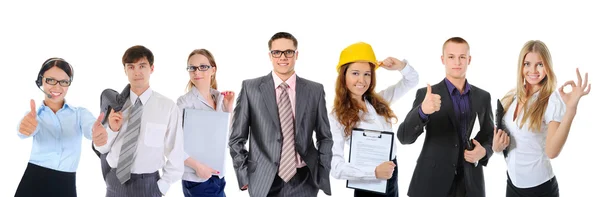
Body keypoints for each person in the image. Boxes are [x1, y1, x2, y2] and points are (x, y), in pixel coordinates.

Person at [229, 32, 333, 197]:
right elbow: (236, 139)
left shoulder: (315, 90)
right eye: (277, 52)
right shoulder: (251, 88)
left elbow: (325, 137)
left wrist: (322, 172)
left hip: (305, 179)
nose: (282, 57)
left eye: (288, 52)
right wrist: (243, 175)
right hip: (264, 180)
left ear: (296, 54)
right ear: (270, 55)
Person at [397, 37, 494, 197]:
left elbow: (489, 134)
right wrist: (422, 111)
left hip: (469, 183)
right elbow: (404, 137)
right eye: (451, 57)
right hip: (431, 182)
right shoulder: (426, 94)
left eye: (462, 57)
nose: (457, 62)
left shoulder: (483, 97)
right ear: (443, 60)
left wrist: (484, 152)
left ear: (469, 60)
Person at [493, 40, 591, 197]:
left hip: (539, 189)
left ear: (547, 67)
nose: (533, 70)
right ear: (521, 66)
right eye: (527, 64)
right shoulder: (512, 96)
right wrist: (496, 147)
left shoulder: (551, 100)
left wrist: (570, 110)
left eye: (539, 64)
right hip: (512, 184)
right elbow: (505, 142)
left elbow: (552, 151)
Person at [329, 42, 419, 197]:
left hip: (391, 175)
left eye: (367, 74)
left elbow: (412, 80)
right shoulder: (336, 116)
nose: (362, 80)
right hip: (367, 182)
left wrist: (401, 66)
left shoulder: (380, 101)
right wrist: (374, 172)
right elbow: (335, 167)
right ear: (344, 75)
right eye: (355, 73)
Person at [93, 45, 185, 197]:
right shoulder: (114, 105)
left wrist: (162, 187)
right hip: (114, 184)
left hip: (148, 185)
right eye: (131, 67)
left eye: (142, 66)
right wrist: (111, 130)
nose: (137, 72)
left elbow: (176, 152)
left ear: (152, 68)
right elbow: (101, 148)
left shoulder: (167, 107)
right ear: (125, 70)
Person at [15, 58, 107, 197]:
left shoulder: (79, 114)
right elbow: (23, 129)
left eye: (64, 82)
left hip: (65, 183)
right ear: (41, 81)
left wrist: (98, 133)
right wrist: (23, 128)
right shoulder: (34, 116)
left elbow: (92, 128)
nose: (57, 87)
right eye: (50, 80)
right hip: (33, 180)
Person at [176, 49, 235, 197]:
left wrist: (228, 109)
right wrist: (197, 167)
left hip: (218, 176)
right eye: (192, 68)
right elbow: (172, 144)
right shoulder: (184, 103)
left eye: (203, 67)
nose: (197, 72)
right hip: (197, 179)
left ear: (213, 70)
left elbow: (228, 140)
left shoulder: (220, 98)